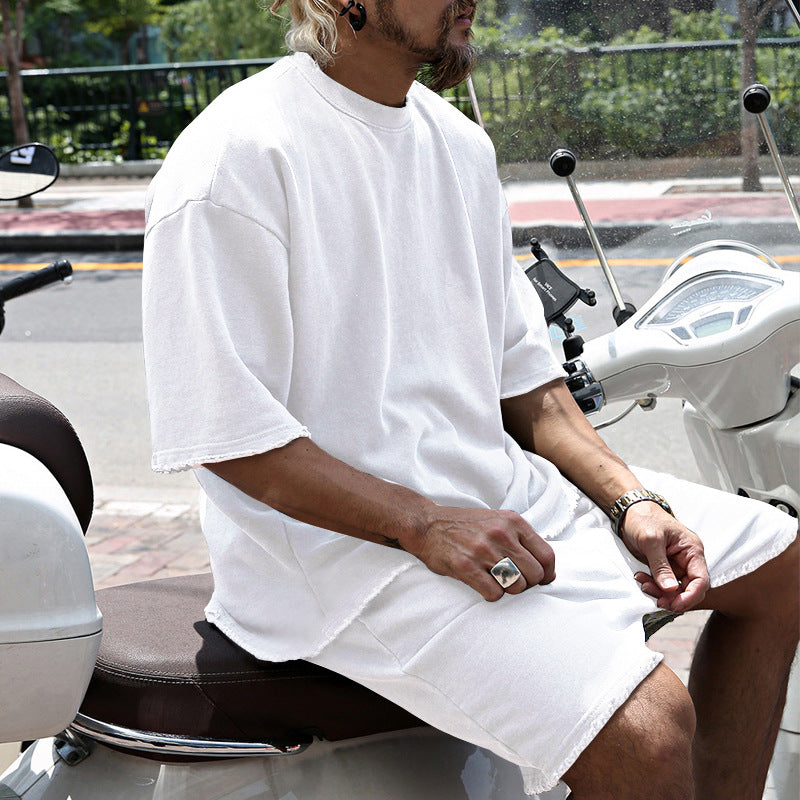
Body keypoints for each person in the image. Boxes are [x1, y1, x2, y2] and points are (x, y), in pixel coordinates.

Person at [142, 2, 799, 797]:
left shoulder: (456, 143)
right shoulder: (236, 154)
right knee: (653, 728)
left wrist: (633, 502)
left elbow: (532, 389)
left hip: (497, 502)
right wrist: (423, 522)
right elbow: (229, 435)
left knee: (782, 564)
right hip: (341, 561)